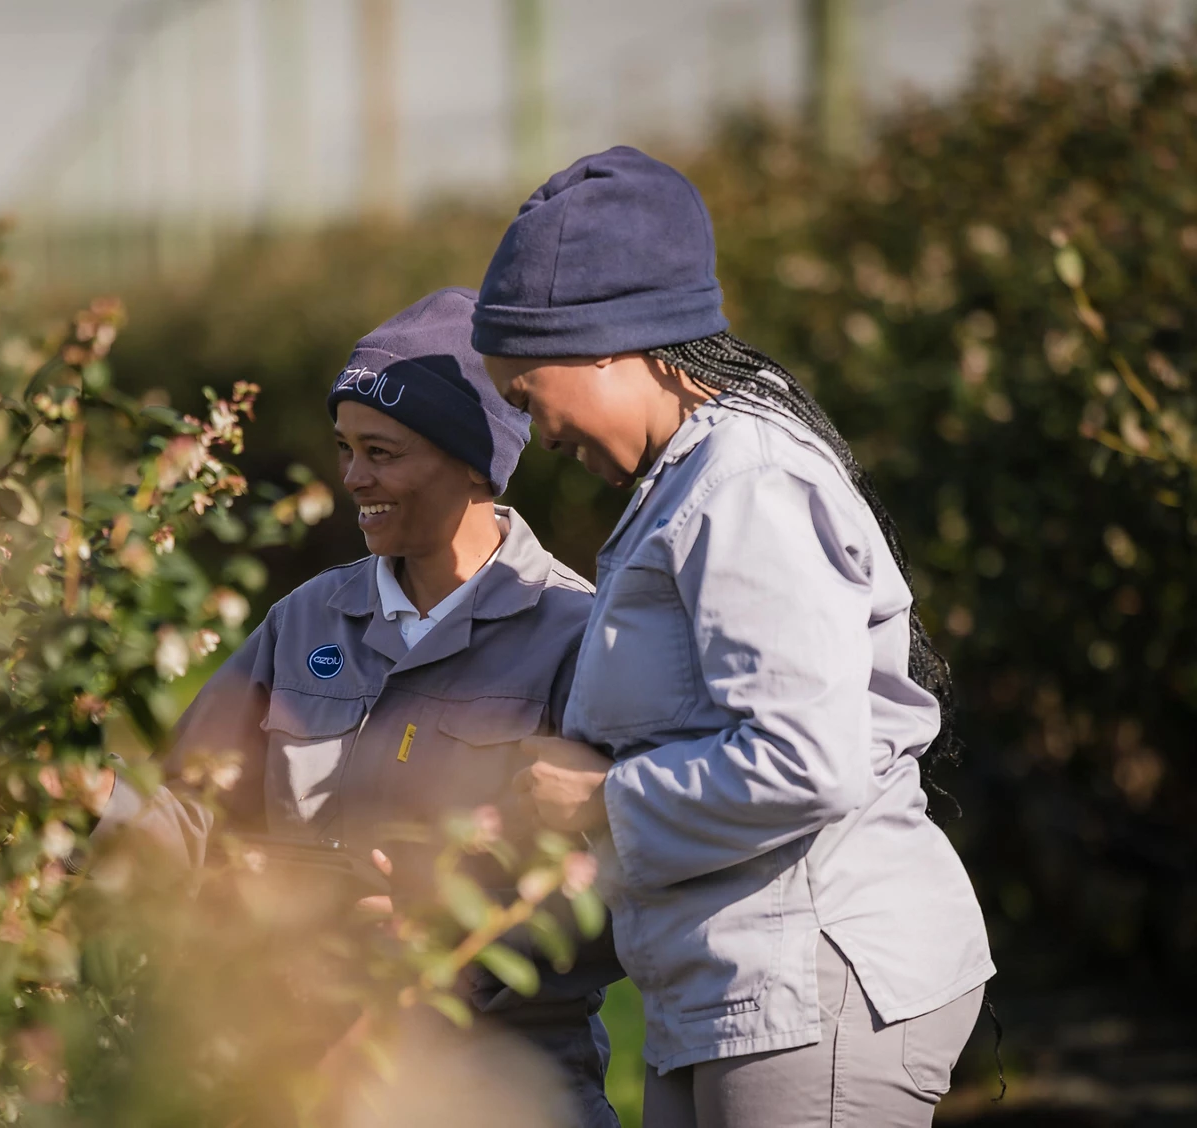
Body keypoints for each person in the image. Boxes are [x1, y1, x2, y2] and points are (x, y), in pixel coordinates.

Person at [473, 146, 994, 1127]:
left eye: (523, 395)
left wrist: (599, 798)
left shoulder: (744, 482)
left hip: (812, 974)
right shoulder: (686, 478)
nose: (534, 436)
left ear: (605, 344)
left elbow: (802, 760)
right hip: (725, 987)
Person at [91, 287, 623, 1128]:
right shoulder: (303, 622)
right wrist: (89, 803)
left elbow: (630, 882)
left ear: (475, 462)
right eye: (345, 448)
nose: (352, 477)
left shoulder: (577, 634)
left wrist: (455, 933)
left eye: (381, 451)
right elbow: (190, 818)